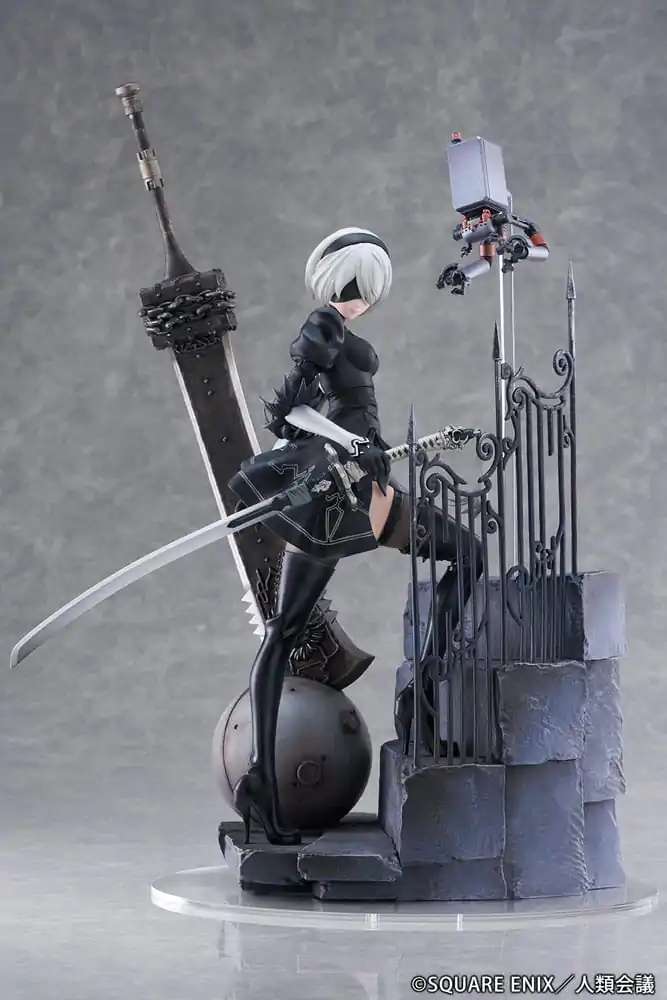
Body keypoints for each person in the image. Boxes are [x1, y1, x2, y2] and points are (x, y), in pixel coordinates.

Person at [228, 227, 482, 845]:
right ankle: (261, 777)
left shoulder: (341, 332)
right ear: (336, 281)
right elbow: (287, 414)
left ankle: (422, 692)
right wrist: (347, 442)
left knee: (468, 554)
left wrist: (364, 447)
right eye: (355, 287)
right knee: (284, 631)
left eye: (369, 290)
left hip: (371, 487)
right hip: (337, 494)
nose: (362, 300)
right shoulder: (321, 326)